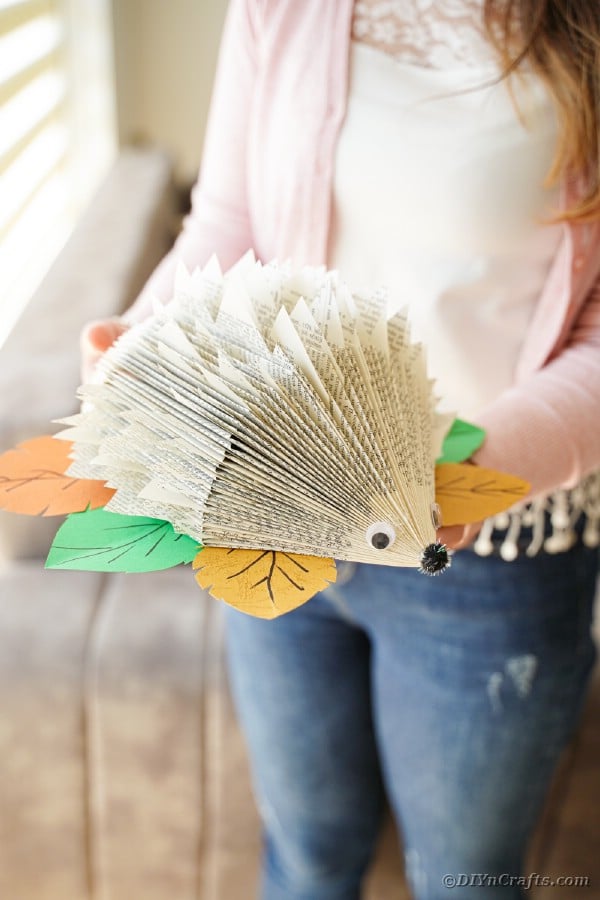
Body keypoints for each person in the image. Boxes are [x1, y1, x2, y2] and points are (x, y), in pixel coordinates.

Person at [82, 2, 600, 897]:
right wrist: (143, 343)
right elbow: (229, 222)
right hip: (275, 521)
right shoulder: (281, 10)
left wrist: (474, 474)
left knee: (464, 882)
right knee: (307, 851)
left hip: (493, 556)